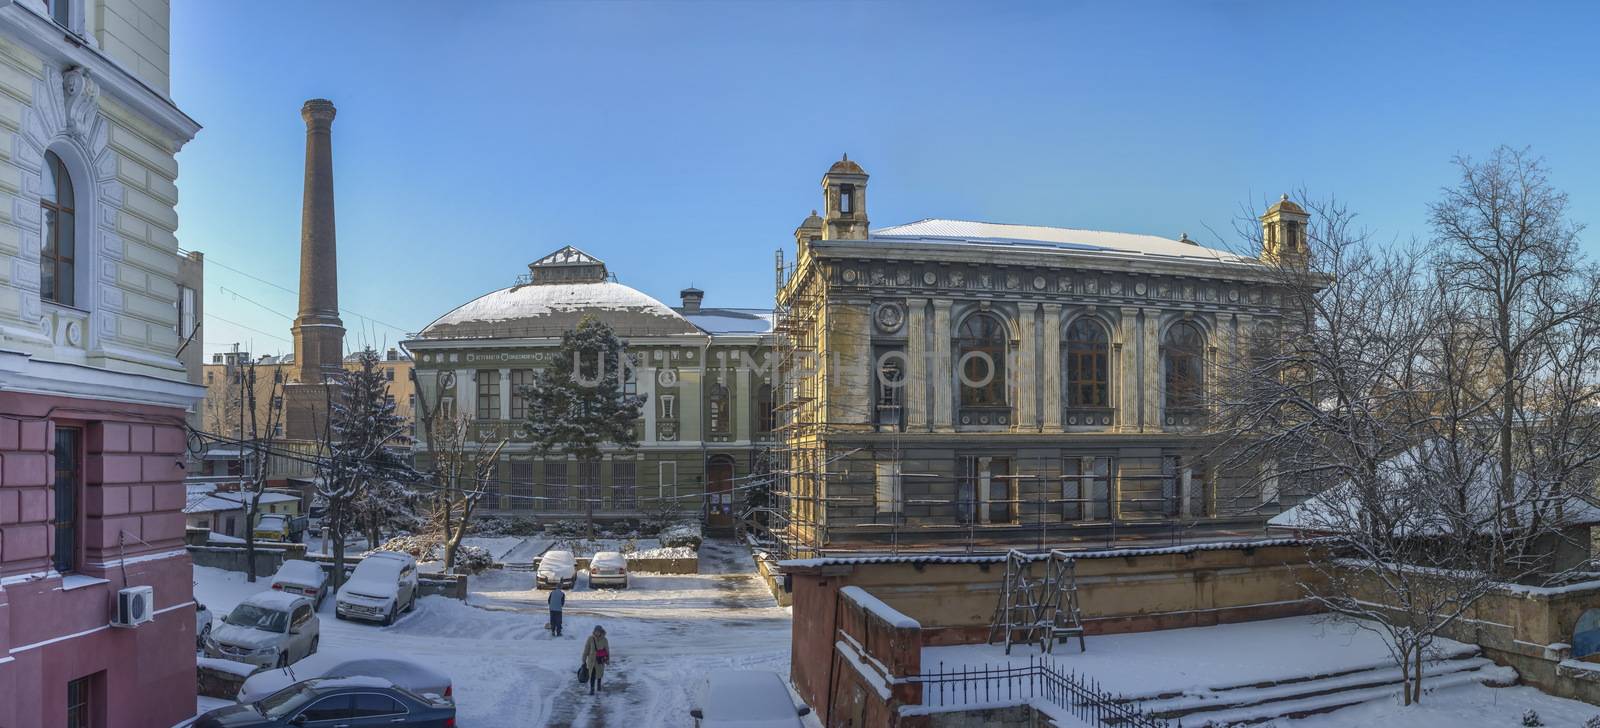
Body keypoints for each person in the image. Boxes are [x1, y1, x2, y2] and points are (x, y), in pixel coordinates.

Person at [582, 625, 610, 694]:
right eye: (596, 631)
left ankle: (599, 686)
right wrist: (584, 658)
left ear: (601, 632)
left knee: (599, 674)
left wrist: (607, 659)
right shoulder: (590, 638)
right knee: (592, 675)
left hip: (600, 661)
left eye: (598, 631)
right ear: (594, 631)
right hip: (591, 661)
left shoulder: (605, 640)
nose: (597, 633)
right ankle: (592, 689)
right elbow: (586, 649)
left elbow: (607, 650)